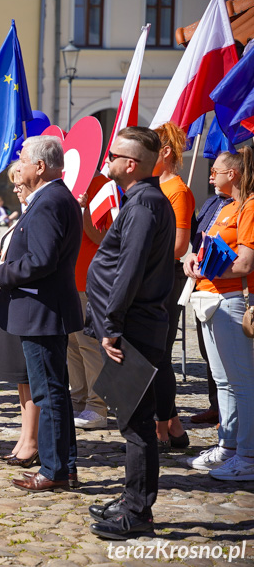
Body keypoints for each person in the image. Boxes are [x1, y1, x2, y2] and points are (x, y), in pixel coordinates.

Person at [84, 126, 175, 539]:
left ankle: (138, 513)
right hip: (133, 327)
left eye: (113, 156)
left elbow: (130, 269)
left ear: (131, 164)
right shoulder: (144, 200)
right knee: (132, 420)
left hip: (132, 330)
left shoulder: (143, 205)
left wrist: (112, 325)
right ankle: (131, 499)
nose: (108, 161)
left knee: (136, 424)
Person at [0, 135, 82, 493]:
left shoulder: (49, 201)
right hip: (43, 309)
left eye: (23, 161)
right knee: (53, 390)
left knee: (48, 393)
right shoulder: (51, 199)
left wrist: (1, 273)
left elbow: (41, 261)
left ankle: (55, 470)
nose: (18, 166)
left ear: (39, 167)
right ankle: (64, 466)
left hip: (41, 310)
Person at [183, 147, 254, 481]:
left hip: (231, 301)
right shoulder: (229, 207)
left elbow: (244, 263)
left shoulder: (250, 206)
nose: (212, 175)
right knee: (224, 381)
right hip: (211, 299)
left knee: (241, 383)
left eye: (217, 170)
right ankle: (228, 447)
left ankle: (249, 454)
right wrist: (192, 261)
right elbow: (208, 248)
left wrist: (208, 269)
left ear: (234, 174)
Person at [0, 162, 38, 467]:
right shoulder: (19, 217)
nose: (15, 188)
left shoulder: (38, 213)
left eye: (18, 182)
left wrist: (1, 271)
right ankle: (24, 435)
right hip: (8, 300)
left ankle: (32, 440)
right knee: (20, 381)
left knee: (30, 379)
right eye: (13, 184)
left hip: (26, 305)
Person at [153, 121, 195, 452]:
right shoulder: (153, 187)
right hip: (151, 279)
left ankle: (162, 430)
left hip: (166, 280)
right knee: (151, 354)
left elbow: (180, 247)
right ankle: (174, 426)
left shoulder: (177, 191)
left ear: (165, 152)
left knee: (158, 355)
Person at [68, 175, 111, 431]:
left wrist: (83, 209)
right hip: (67, 280)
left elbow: (102, 237)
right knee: (71, 346)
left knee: (89, 346)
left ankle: (97, 406)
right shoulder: (66, 183)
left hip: (89, 280)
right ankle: (78, 399)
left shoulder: (101, 185)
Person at [189, 192, 233, 425]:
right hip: (204, 287)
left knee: (231, 356)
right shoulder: (211, 202)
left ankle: (232, 415)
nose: (211, 178)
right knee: (209, 351)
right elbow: (197, 237)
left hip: (230, 291)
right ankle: (216, 406)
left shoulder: (243, 205)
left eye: (216, 172)